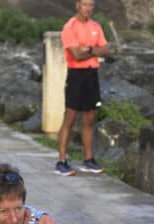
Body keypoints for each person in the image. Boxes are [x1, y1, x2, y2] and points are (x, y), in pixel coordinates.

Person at [55, 0, 110, 176]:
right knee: (69, 119)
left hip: (92, 75)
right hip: (76, 76)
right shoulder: (69, 27)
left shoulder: (96, 26)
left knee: (90, 118)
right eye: (85, 4)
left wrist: (89, 48)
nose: (88, 8)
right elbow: (76, 55)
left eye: (91, 5)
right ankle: (61, 161)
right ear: (77, 5)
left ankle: (88, 160)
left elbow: (107, 50)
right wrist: (94, 51)